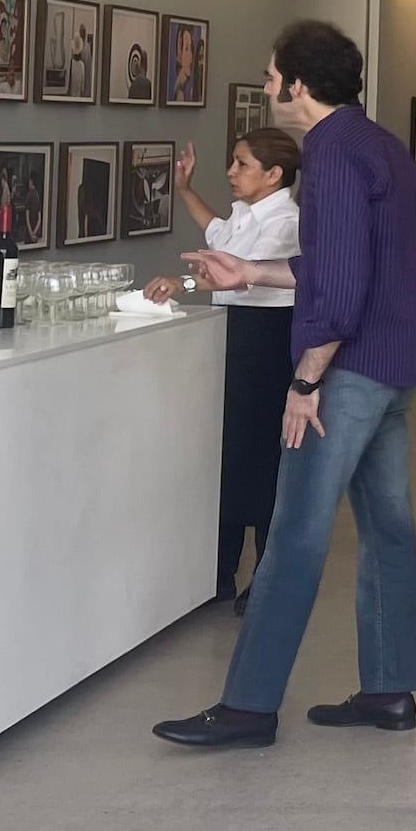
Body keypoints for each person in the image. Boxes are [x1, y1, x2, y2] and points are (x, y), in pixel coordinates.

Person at [155, 22, 416, 748]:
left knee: (296, 533)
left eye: (272, 77)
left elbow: (338, 287)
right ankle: (388, 689)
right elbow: (348, 264)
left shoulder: (331, 155)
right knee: (389, 530)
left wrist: (306, 380)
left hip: (344, 371)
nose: (269, 87)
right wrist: (251, 272)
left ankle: (248, 705)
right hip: (393, 365)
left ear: (298, 86)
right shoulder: (379, 145)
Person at [141, 128, 302, 608]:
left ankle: (265, 578)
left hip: (266, 341)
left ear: (274, 174)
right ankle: (219, 572)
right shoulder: (248, 213)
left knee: (259, 459)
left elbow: (239, 271)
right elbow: (215, 231)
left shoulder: (285, 221)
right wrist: (186, 189)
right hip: (234, 334)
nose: (231, 172)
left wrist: (182, 283)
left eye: (242, 164)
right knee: (227, 452)